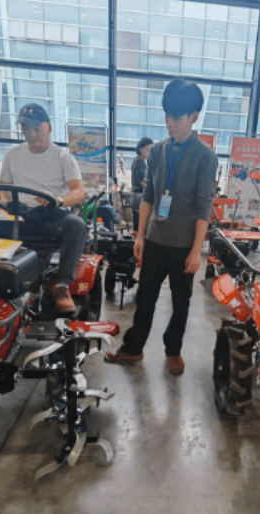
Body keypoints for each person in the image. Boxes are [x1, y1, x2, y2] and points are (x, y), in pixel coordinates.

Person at [105, 79, 218, 376]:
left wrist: (196, 252)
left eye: (177, 117)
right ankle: (134, 347)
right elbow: (149, 196)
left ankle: (173, 350)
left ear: (194, 117)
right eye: (167, 116)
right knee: (145, 298)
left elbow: (204, 207)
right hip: (155, 241)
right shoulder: (156, 151)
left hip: (183, 246)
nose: (170, 123)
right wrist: (140, 236)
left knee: (181, 304)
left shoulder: (206, 157)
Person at [0, 103, 87, 313]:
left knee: (77, 225)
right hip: (18, 212)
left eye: (37, 128)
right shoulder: (12, 155)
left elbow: (78, 191)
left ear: (49, 128)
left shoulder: (63, 158)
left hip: (49, 213)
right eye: (26, 128)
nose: (32, 133)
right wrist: (3, 201)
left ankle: (62, 285)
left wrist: (59, 200)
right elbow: (3, 187)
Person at [130, 137, 153, 230]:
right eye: (147, 150)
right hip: (139, 197)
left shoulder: (136, 160)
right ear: (140, 149)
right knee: (141, 226)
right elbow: (143, 182)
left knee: (137, 225)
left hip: (135, 196)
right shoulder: (140, 162)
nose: (149, 152)